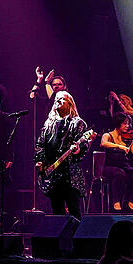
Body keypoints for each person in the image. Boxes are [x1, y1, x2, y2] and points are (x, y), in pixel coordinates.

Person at [34, 91, 89, 219]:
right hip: (53, 175)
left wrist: (76, 150)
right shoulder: (48, 124)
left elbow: (83, 144)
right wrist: (41, 161)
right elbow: (40, 145)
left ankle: (76, 237)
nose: (57, 101)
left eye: (61, 99)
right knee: (57, 212)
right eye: (56, 99)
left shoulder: (77, 123)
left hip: (70, 174)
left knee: (74, 210)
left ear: (70, 103)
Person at [101, 113, 133, 211]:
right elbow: (103, 143)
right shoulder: (108, 135)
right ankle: (116, 202)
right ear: (118, 123)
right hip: (109, 166)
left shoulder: (128, 138)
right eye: (125, 124)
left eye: (128, 124)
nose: (127, 126)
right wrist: (119, 146)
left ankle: (130, 201)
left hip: (124, 166)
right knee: (119, 173)